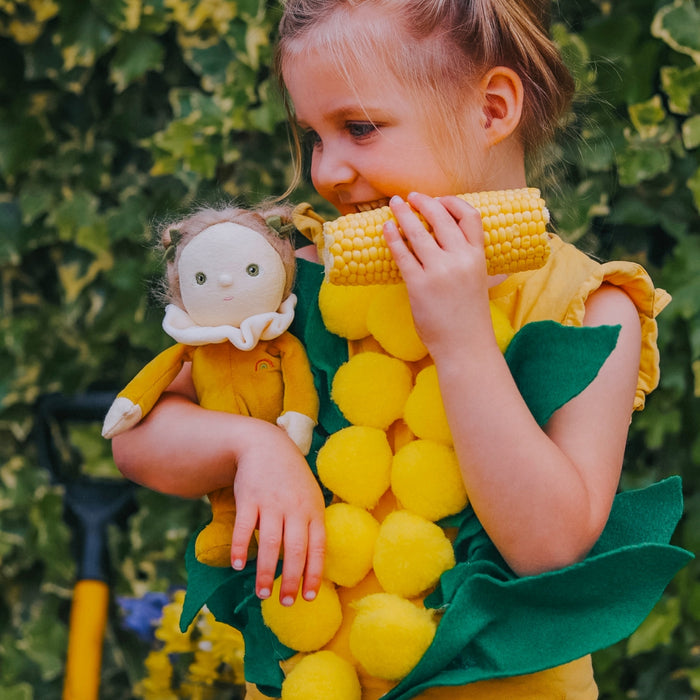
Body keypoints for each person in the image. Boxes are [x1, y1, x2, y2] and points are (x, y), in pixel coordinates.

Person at [112, 1, 688, 698]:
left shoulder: (593, 307)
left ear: (493, 109)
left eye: (359, 128)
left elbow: (548, 547)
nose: (327, 171)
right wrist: (250, 447)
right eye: (315, 137)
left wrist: (462, 337)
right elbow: (138, 435)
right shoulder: (300, 280)